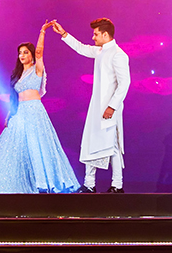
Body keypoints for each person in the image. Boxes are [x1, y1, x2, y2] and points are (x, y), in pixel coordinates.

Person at [0, 21, 79, 194]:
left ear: (32, 55)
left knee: (38, 146)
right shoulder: (17, 75)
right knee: (13, 147)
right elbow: (14, 99)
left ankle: (42, 183)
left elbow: (40, 51)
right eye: (20, 53)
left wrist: (43, 31)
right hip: (20, 112)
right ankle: (17, 183)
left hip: (35, 111)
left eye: (25, 52)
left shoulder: (37, 69)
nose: (22, 55)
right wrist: (10, 115)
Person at [51, 18, 130, 193]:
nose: (93, 37)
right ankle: (89, 184)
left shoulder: (118, 54)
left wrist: (112, 106)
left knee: (113, 145)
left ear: (105, 34)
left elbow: (125, 83)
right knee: (91, 142)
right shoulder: (101, 52)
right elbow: (81, 48)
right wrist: (63, 34)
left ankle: (117, 185)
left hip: (110, 108)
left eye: (95, 34)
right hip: (97, 107)